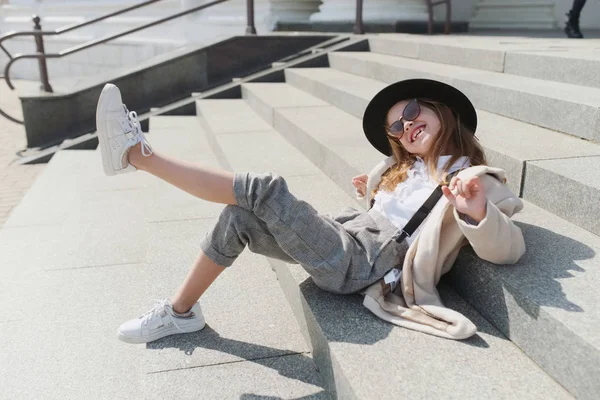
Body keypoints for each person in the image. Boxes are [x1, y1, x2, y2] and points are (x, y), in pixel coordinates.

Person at [95, 79, 525, 344]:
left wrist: (476, 212)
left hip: (365, 263)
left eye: (412, 112)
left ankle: (136, 154)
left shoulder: (475, 177)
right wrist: (373, 191)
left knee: (264, 189)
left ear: (439, 110)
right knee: (239, 217)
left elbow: (508, 250)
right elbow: (387, 213)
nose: (406, 126)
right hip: (350, 236)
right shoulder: (405, 169)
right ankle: (180, 313)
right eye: (397, 126)